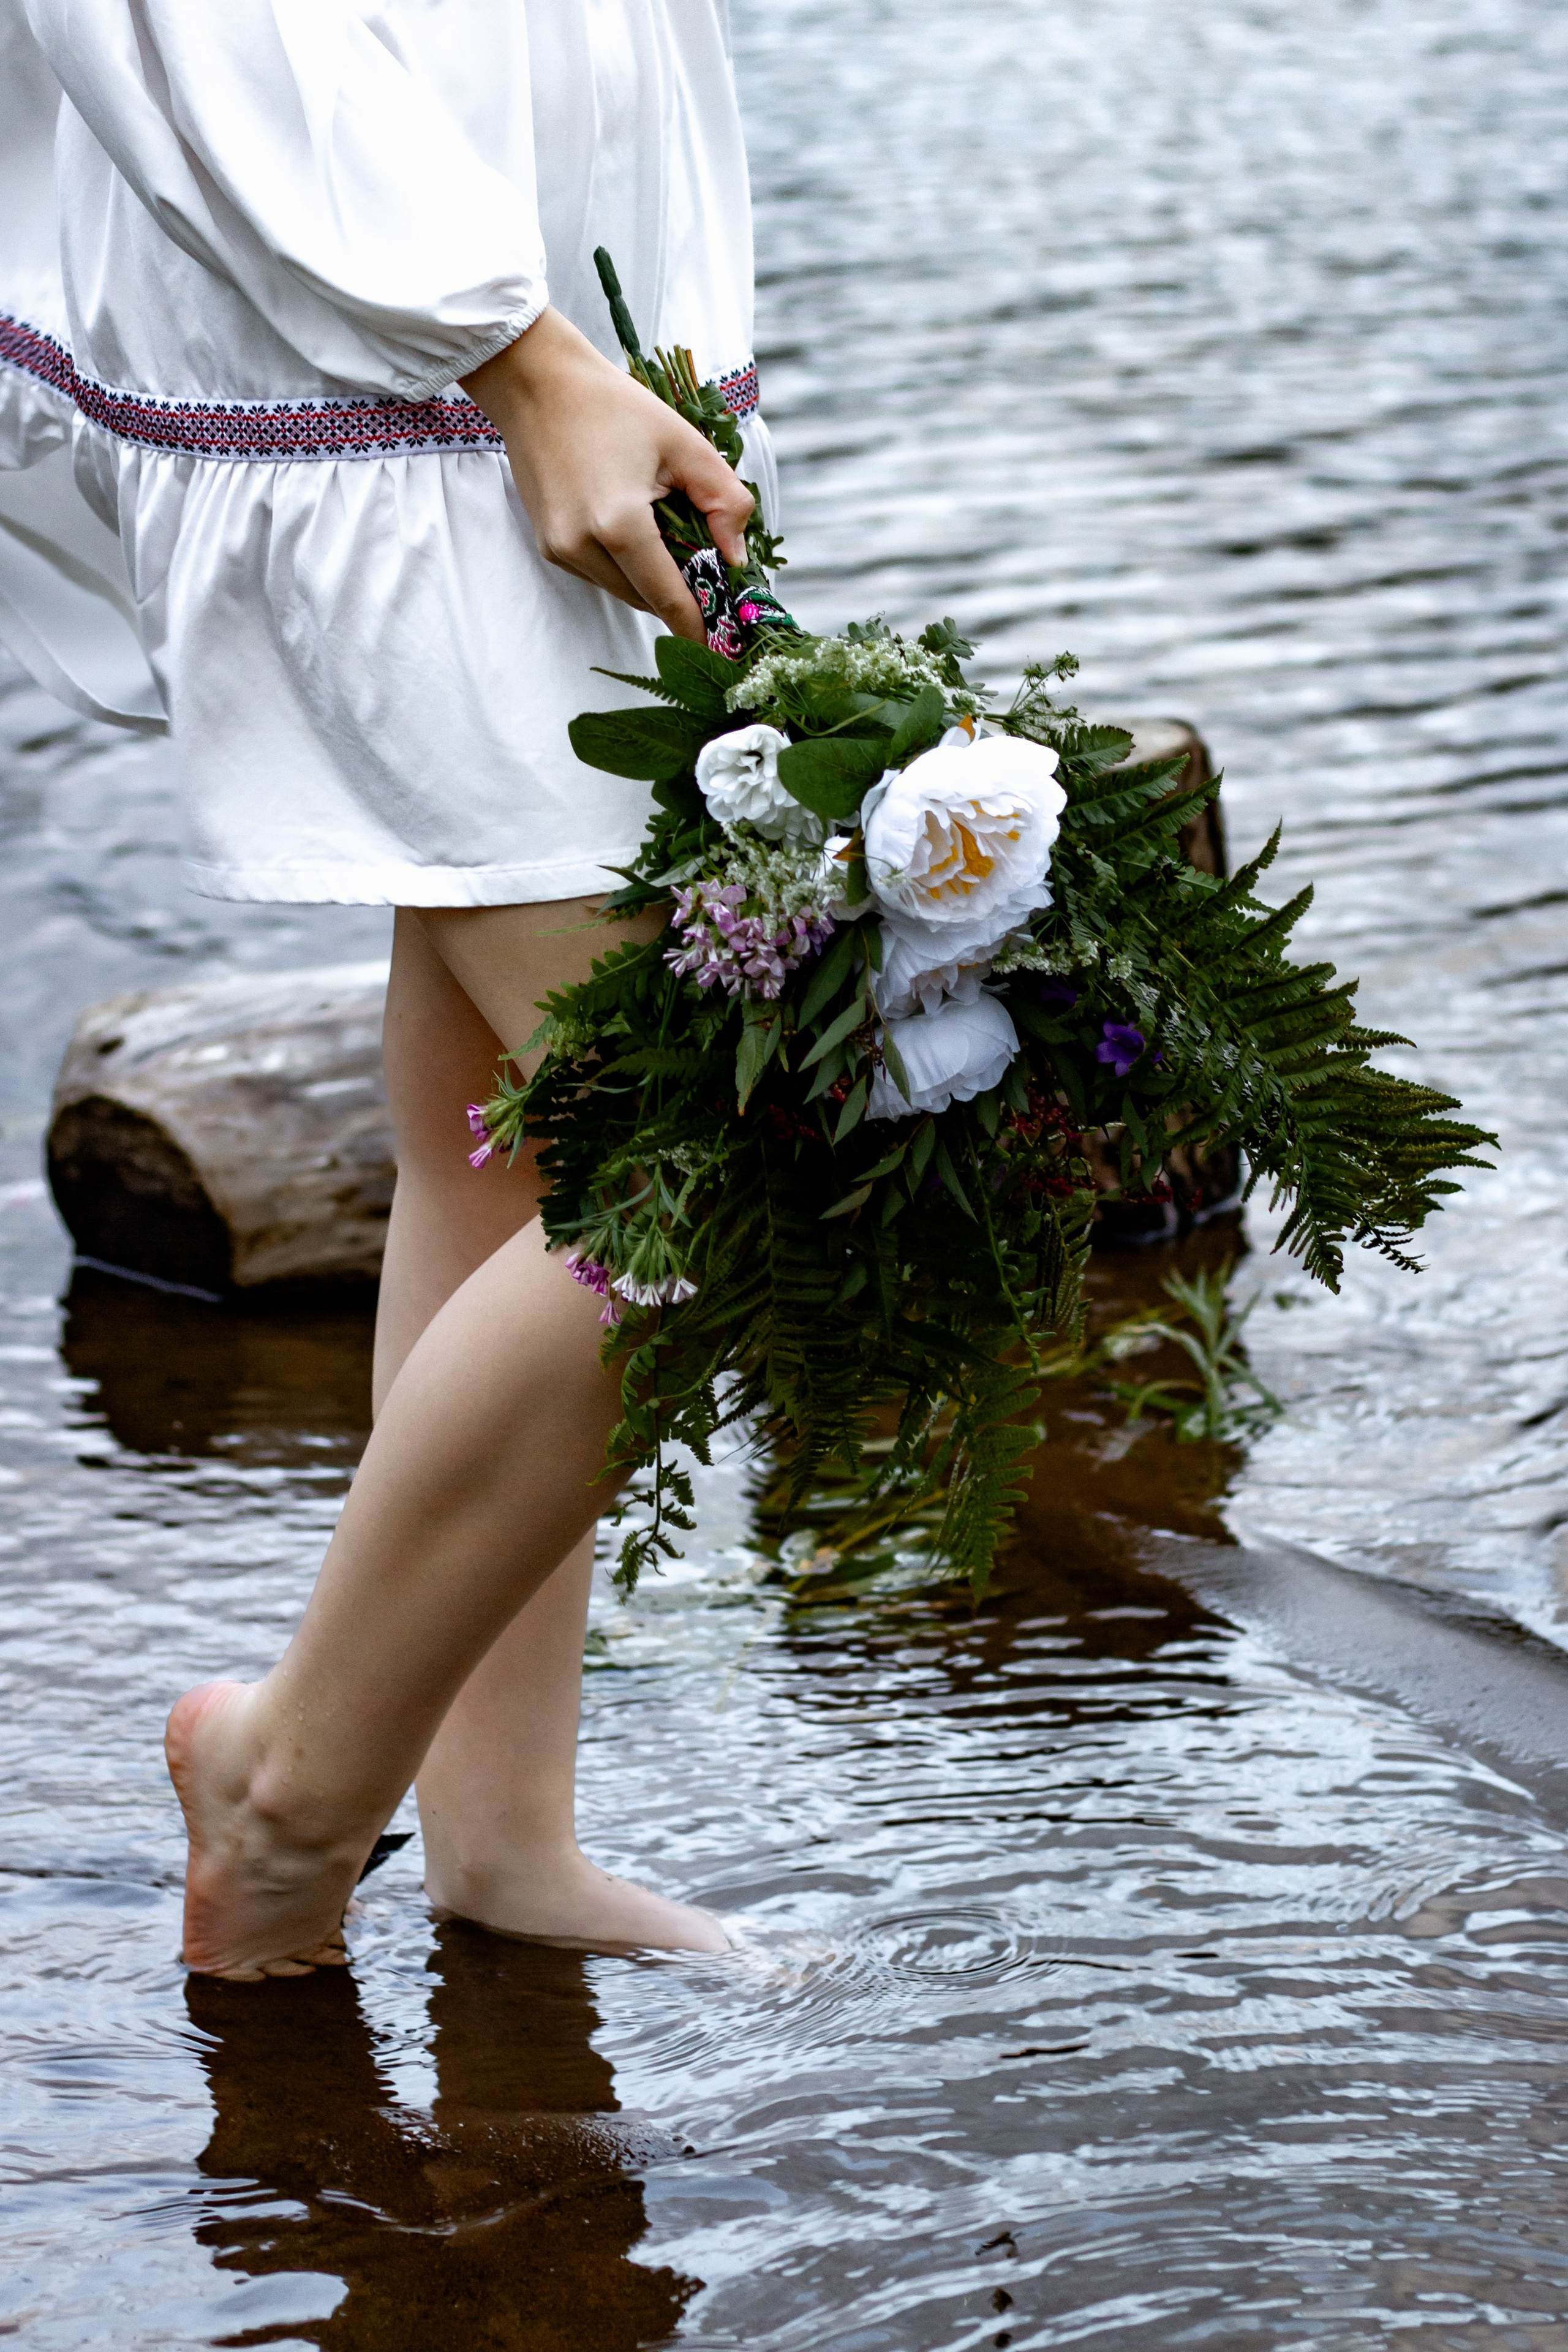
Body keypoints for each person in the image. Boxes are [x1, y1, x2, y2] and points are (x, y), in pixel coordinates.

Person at [4, 0, 775, 1975]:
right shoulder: (468, 351)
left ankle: (498, 1840)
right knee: (707, 1150)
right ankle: (283, 1791)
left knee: (500, 1148)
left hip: (546, 360)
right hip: (415, 384)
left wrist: (580, 355)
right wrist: (514, 356)